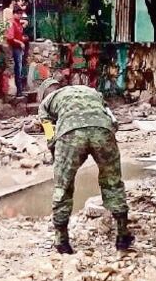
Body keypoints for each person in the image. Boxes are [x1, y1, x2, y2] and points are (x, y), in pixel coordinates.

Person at [37, 78, 133, 254]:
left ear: (44, 93)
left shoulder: (46, 103)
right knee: (113, 182)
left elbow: (50, 135)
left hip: (70, 135)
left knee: (63, 187)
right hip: (103, 130)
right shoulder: (91, 91)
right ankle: (122, 236)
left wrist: (58, 158)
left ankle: (62, 241)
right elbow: (113, 120)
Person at [6, 7, 29, 97]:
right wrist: (20, 42)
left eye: (21, 14)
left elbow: (18, 35)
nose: (20, 15)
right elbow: (10, 38)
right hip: (16, 49)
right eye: (18, 14)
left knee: (20, 69)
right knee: (18, 69)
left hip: (20, 48)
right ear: (14, 13)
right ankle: (19, 91)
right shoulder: (12, 23)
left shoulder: (18, 23)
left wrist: (23, 39)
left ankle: (20, 89)